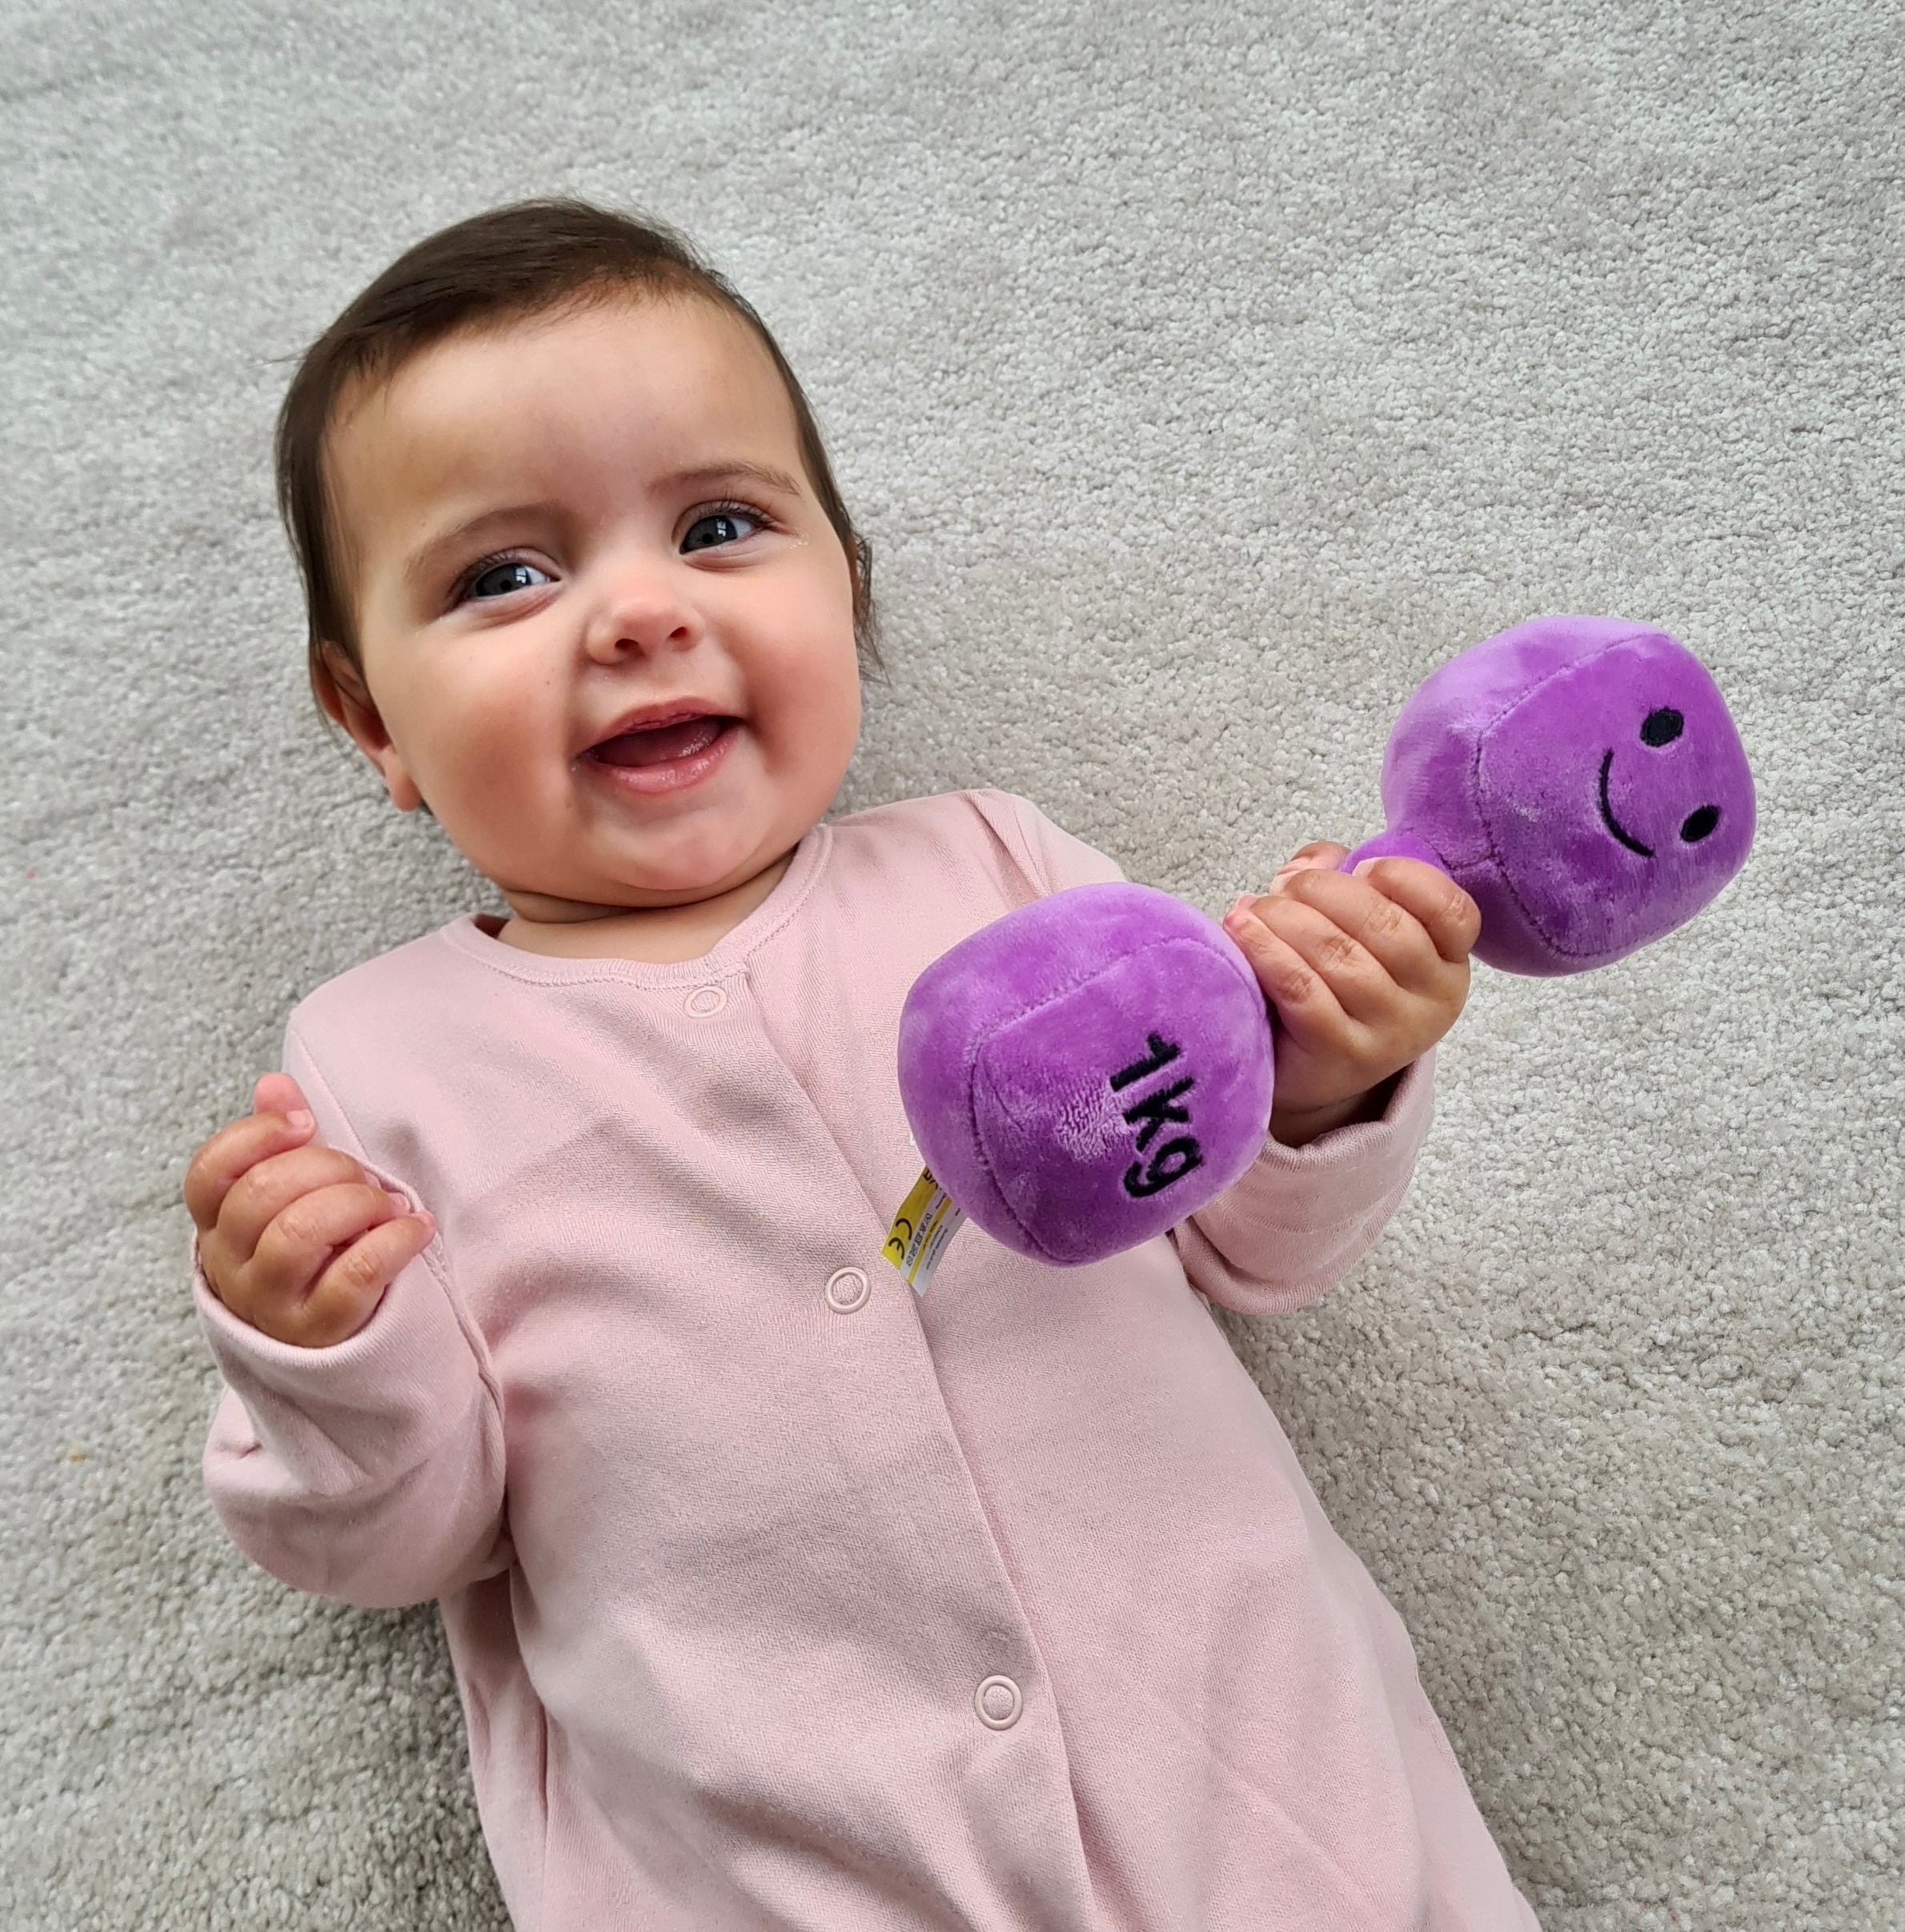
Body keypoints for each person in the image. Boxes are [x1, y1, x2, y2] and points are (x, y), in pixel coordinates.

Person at [182, 198, 1540, 1930]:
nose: (638, 612)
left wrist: (1325, 1077)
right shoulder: (380, 1057)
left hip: (1274, 1802)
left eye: (721, 525)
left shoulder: (999, 871)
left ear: (848, 587)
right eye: (504, 577)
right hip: (790, 1866)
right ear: (374, 717)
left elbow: (1245, 1248)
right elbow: (394, 1538)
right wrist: (323, 1345)